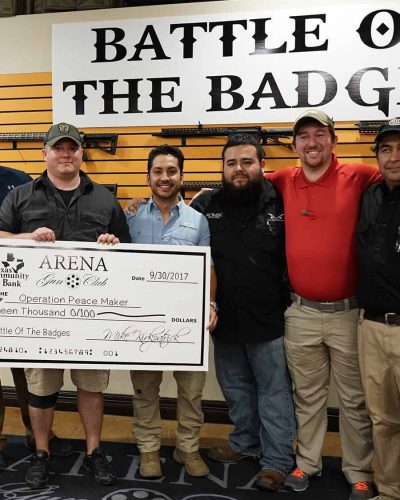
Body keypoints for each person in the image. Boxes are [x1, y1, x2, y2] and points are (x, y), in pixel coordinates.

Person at [0, 122, 131, 489]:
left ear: (81, 152)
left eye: (72, 147)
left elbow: (131, 251)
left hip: (92, 315)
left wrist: (112, 244)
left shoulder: (104, 198)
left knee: (91, 386)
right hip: (41, 313)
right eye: (58, 148)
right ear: (46, 153)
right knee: (41, 388)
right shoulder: (21, 196)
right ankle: (41, 453)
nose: (66, 154)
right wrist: (27, 237)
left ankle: (93, 452)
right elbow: (0, 236)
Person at [271, 109, 380, 499]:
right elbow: (244, 183)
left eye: (320, 134)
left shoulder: (361, 175)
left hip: (349, 313)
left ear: (333, 140)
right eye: (304, 136)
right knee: (308, 395)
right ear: (294, 144)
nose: (312, 142)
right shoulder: (284, 179)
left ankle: (358, 471)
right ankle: (308, 464)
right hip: (300, 312)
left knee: (354, 399)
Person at [191, 133, 296, 492]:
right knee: (235, 387)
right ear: (222, 167)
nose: (239, 169)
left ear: (262, 165)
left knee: (273, 391)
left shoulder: (283, 202)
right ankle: (244, 442)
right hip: (224, 318)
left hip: (269, 317)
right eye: (231, 162)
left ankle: (277, 459)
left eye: (247, 162)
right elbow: (176, 230)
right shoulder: (206, 205)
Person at [127, 144, 217, 479]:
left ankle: (187, 448)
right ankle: (149, 449)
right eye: (158, 171)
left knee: (191, 392)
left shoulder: (198, 220)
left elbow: (209, 267)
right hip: (142, 324)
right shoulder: (131, 217)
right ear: (149, 176)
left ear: (181, 175)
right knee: (145, 389)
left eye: (171, 171)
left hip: (187, 324)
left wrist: (211, 304)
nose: (165, 178)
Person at [0, 166, 72, 466]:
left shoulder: (17, 180)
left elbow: (29, 231)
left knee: (24, 364)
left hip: (17, 284)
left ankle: (34, 430)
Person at [357, 118, 400, 500]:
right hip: (371, 325)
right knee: (383, 420)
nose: (394, 157)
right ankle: (389, 490)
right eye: (385, 149)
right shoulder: (369, 196)